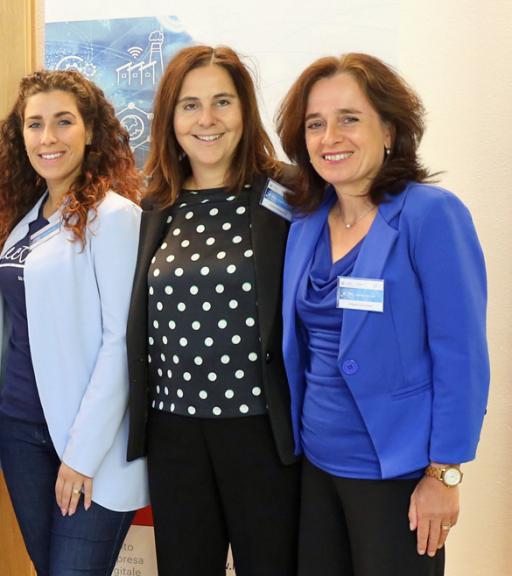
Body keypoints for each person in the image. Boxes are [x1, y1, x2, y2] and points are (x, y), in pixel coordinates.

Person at [276, 53, 488, 576]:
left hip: (398, 472)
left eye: (350, 118)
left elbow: (460, 355)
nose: (331, 137)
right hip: (317, 466)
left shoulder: (430, 215)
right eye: (315, 124)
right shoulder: (306, 220)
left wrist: (445, 474)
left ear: (389, 129)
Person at [124, 45, 300, 575]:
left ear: (245, 111)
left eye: (222, 102)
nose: (207, 119)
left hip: (261, 431)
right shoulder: (155, 204)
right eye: (189, 105)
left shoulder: (288, 193)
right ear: (169, 119)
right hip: (175, 431)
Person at [0, 69, 146, 576]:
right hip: (21, 431)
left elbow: (122, 341)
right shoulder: (26, 220)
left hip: (86, 446)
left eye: (62, 122)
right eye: (34, 124)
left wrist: (80, 455)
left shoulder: (114, 217)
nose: (47, 137)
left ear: (91, 131)